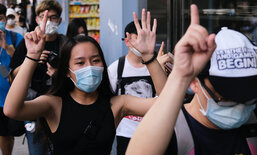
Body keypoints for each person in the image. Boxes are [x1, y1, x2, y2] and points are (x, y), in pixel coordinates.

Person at [126, 4, 257, 155]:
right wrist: (180, 76)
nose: (239, 105)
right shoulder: (171, 129)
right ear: (195, 83)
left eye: (249, 97)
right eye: (226, 95)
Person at [4, 7, 162, 154]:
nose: (90, 67)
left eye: (95, 60)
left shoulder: (117, 104)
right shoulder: (54, 104)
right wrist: (31, 56)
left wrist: (149, 56)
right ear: (67, 71)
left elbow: (165, 104)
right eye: (80, 63)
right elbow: (12, 109)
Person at [8, 0, 67, 154]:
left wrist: (58, 74)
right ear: (37, 20)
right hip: (34, 107)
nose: (47, 21)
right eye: (43, 17)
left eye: (53, 17)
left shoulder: (67, 44)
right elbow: (12, 75)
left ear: (60, 20)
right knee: (36, 151)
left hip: (61, 106)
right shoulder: (28, 43)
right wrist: (31, 60)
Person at [108, 19, 161, 155]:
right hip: (125, 134)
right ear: (128, 41)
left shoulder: (157, 67)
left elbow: (165, 98)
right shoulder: (116, 68)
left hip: (153, 134)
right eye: (139, 39)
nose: (143, 45)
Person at [0, 4, 24, 155]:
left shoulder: (16, 38)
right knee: (3, 134)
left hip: (10, 96)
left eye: (0, 18)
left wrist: (6, 46)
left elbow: (23, 63)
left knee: (8, 134)